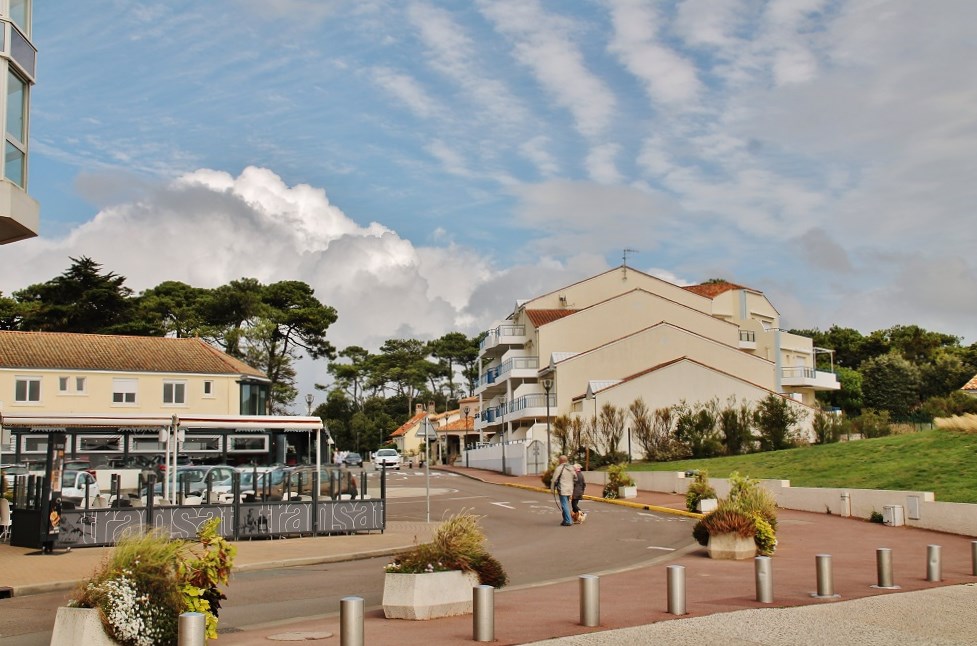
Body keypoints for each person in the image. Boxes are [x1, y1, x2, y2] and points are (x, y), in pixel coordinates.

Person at [552, 455, 575, 526]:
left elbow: (554, 479)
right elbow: (575, 477)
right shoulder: (571, 468)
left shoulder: (559, 468)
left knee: (564, 504)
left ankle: (568, 520)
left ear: (560, 461)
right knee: (565, 504)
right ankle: (565, 519)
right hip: (570, 489)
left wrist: (552, 489)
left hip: (563, 489)